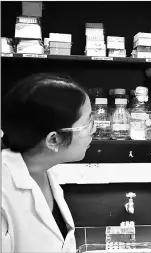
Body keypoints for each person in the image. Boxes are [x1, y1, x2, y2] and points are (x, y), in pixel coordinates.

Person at [1, 73, 96, 252]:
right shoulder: (3, 191)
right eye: (88, 123)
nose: (94, 130)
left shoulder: (43, 170)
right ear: (53, 140)